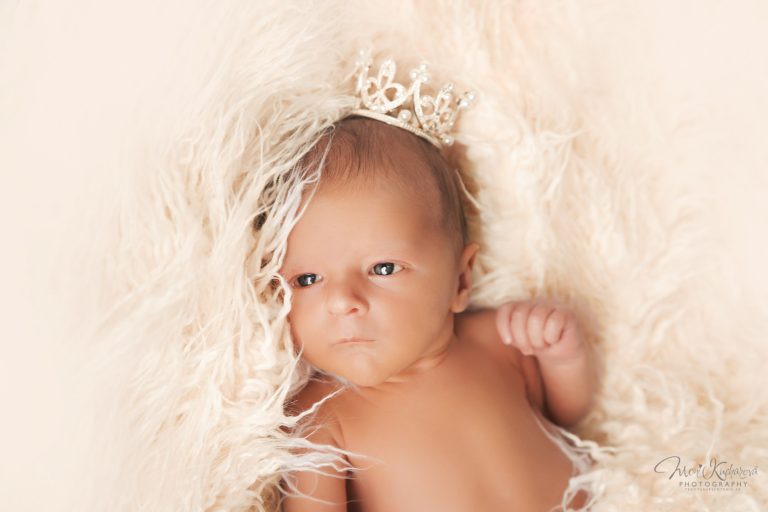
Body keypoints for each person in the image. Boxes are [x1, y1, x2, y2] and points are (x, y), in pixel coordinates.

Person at [276, 112, 596, 511]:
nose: (342, 301)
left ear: (460, 280)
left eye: (383, 269)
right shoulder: (319, 417)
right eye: (307, 279)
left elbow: (565, 418)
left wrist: (562, 357)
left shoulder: (498, 339)